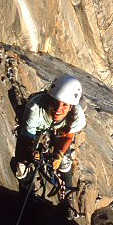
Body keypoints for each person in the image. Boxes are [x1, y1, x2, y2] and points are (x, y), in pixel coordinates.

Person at [13, 75, 86, 213]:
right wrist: (30, 153)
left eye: (65, 104)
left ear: (71, 107)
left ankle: (66, 198)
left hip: (59, 129)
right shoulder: (35, 108)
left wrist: (58, 154)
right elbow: (26, 138)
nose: (59, 109)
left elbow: (68, 136)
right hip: (37, 126)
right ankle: (28, 193)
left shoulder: (77, 116)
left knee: (65, 161)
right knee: (21, 166)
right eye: (56, 102)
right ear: (49, 99)